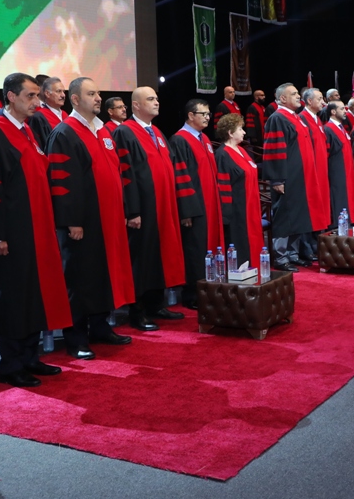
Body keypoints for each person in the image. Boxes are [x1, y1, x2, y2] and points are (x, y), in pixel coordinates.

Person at [0, 73, 72, 388]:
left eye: (37, 96)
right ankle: (11, 364)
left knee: (32, 294)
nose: (36, 102)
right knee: (13, 298)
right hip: (9, 233)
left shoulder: (26, 130)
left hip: (34, 229)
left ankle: (30, 356)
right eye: (30, 96)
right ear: (11, 96)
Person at [47, 77, 135, 359]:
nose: (98, 98)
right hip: (82, 221)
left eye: (98, 93)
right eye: (91, 93)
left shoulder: (103, 131)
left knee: (101, 274)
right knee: (79, 278)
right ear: (75, 99)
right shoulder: (65, 132)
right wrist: (71, 221)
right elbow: (62, 181)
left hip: (107, 218)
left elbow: (115, 172)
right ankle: (75, 338)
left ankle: (100, 327)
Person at [112, 87, 185, 331]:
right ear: (135, 105)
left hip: (163, 204)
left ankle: (156, 304)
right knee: (141, 258)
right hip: (143, 207)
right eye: (150, 99)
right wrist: (132, 211)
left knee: (159, 254)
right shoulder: (125, 132)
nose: (156, 102)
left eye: (156, 98)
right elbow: (125, 173)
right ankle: (138, 311)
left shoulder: (157, 132)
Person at [168, 100, 224, 310]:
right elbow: (181, 177)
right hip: (195, 207)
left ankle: (209, 287)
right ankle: (192, 293)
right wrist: (186, 211)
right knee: (195, 249)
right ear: (191, 115)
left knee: (208, 247)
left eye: (209, 114)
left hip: (210, 204)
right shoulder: (179, 140)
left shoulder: (205, 139)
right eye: (203, 114)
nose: (208, 117)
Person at [262, 83, 319, 270]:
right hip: (287, 178)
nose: (298, 97)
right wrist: (277, 179)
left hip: (300, 177)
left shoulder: (296, 117)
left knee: (298, 216)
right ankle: (281, 257)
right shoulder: (277, 118)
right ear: (283, 98)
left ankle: (293, 254)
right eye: (293, 94)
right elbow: (274, 150)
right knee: (285, 217)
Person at [214, 113, 265, 271]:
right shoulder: (222, 154)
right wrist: (226, 215)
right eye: (240, 129)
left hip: (251, 206)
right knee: (241, 242)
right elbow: (222, 185)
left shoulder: (242, 150)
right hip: (237, 210)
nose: (244, 132)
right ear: (230, 132)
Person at [298, 88, 331, 262]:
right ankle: (307, 247)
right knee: (310, 209)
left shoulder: (316, 119)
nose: (323, 102)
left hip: (321, 171)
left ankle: (316, 244)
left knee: (319, 209)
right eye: (319, 99)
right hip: (311, 173)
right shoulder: (302, 119)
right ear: (309, 101)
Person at [324, 101, 354, 228]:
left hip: (347, 170)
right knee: (339, 197)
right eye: (342, 109)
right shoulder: (328, 129)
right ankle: (339, 225)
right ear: (333, 112)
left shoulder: (341, 128)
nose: (345, 111)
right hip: (336, 171)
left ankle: (349, 222)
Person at [28, 77, 67, 146]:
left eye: (63, 91)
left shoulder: (65, 115)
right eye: (59, 91)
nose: (63, 95)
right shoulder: (38, 117)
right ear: (47, 94)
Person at [244, 89, 266, 160]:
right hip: (256, 136)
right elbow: (250, 122)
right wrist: (252, 136)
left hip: (263, 135)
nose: (264, 97)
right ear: (256, 97)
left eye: (264, 95)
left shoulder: (262, 107)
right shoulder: (252, 108)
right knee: (257, 154)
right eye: (262, 95)